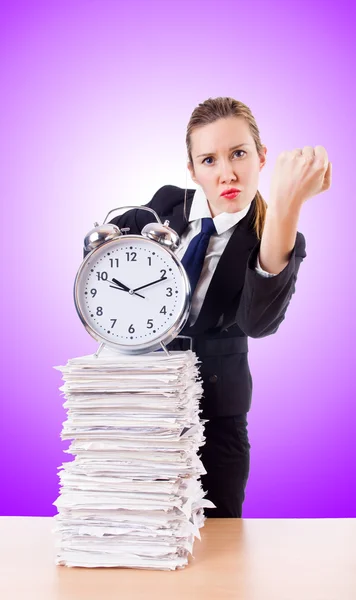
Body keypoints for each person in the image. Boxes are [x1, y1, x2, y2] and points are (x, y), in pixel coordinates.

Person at [84, 97, 332, 518]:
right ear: (193, 170)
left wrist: (286, 207)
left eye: (238, 154)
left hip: (215, 419)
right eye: (209, 160)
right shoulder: (166, 204)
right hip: (142, 403)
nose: (227, 173)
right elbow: (100, 265)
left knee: (218, 544)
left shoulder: (274, 238)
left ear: (261, 156)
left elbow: (257, 322)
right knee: (132, 528)